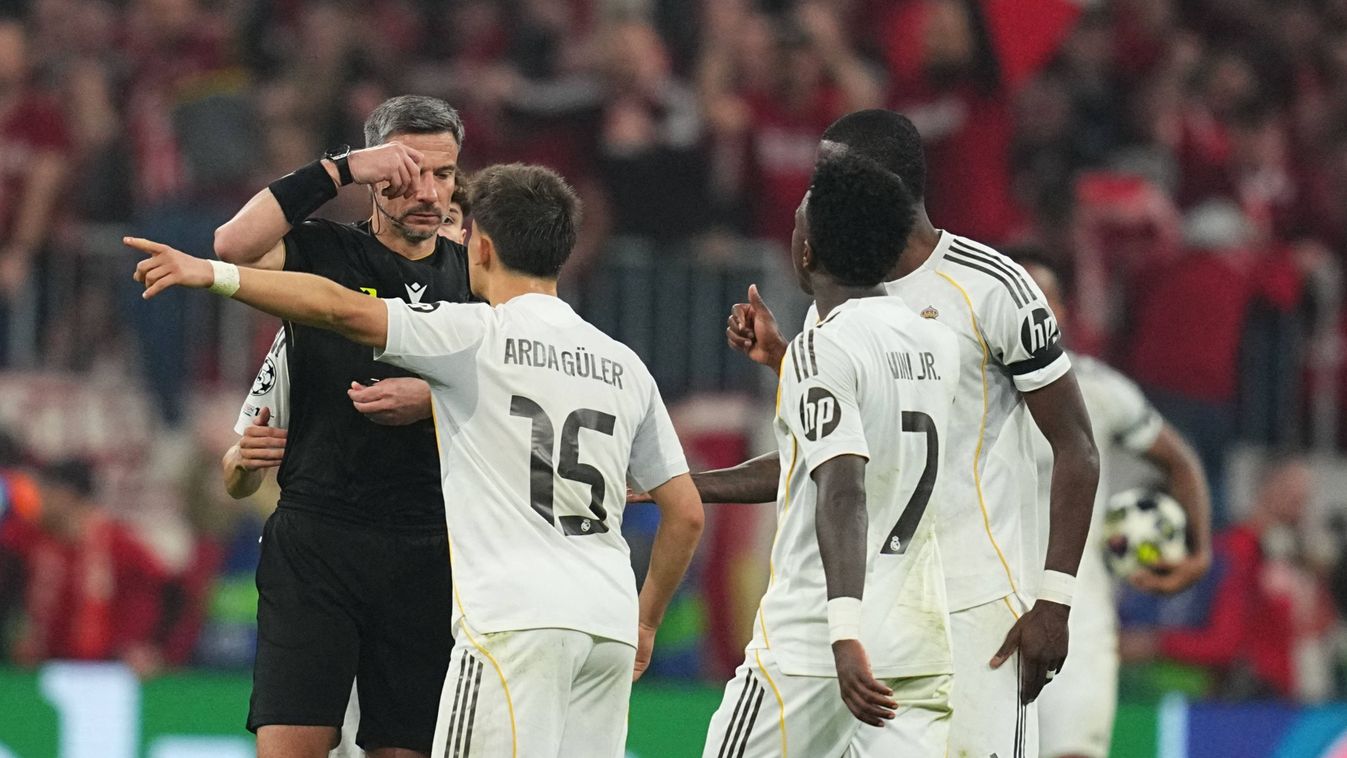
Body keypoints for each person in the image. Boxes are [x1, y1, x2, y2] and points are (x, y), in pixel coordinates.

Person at [127, 162, 705, 758]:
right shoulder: (623, 364)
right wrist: (645, 621)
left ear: (480, 248)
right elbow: (685, 512)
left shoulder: (476, 334)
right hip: (607, 623)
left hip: (513, 619)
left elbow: (340, 308)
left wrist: (213, 273)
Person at [716, 109, 1099, 758]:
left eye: (826, 173)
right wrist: (786, 364)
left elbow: (1077, 447)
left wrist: (1054, 601)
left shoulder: (996, 287)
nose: (813, 192)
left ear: (878, 182)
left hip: (978, 606)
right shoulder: (839, 302)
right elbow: (834, 458)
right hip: (876, 603)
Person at [211, 94, 474, 758]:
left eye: (444, 175)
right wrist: (342, 169)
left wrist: (434, 401)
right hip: (319, 539)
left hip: (431, 546)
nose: (429, 192)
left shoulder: (478, 281)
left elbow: (517, 394)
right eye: (409, 172)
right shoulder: (324, 253)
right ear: (376, 174)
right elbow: (231, 245)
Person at [700, 149, 960, 755]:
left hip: (817, 647)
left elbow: (843, 489)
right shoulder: (935, 342)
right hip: (916, 644)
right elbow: (835, 453)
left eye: (797, 223)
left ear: (807, 252)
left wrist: (844, 635)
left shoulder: (825, 346)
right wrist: (783, 363)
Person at [1018, 256, 1212, 758]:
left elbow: (1180, 461)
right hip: (978, 607)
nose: (1030, 308)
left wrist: (1200, 553)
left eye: (1042, 297)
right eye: (1019, 296)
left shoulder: (1098, 389)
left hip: (1075, 616)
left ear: (1062, 310)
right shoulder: (959, 387)